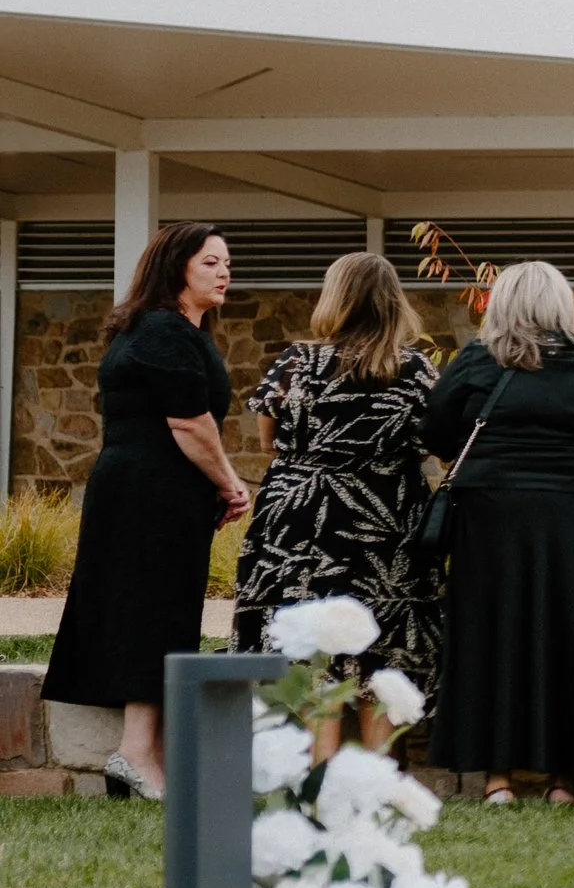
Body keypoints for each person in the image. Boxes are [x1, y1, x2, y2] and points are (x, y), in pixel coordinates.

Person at [41, 223, 250, 800]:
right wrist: (232, 483)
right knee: (152, 610)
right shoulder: (164, 330)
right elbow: (188, 422)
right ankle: (135, 752)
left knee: (162, 608)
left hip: (152, 489)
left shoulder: (167, 328)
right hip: (150, 491)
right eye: (210, 262)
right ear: (176, 268)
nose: (223, 272)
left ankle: (148, 750)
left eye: (227, 262)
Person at [426, 261, 574, 803]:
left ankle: (497, 778)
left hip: (488, 516)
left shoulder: (474, 363)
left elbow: (437, 432)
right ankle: (565, 778)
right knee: (570, 637)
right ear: (562, 307)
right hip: (569, 517)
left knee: (491, 635)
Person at [232, 253, 440, 745]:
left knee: (310, 646)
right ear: (394, 302)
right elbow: (433, 443)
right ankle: (377, 768)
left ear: (336, 298)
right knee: (385, 640)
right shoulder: (416, 370)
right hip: (386, 517)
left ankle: (318, 771)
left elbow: (268, 439)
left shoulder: (296, 361)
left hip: (300, 519)